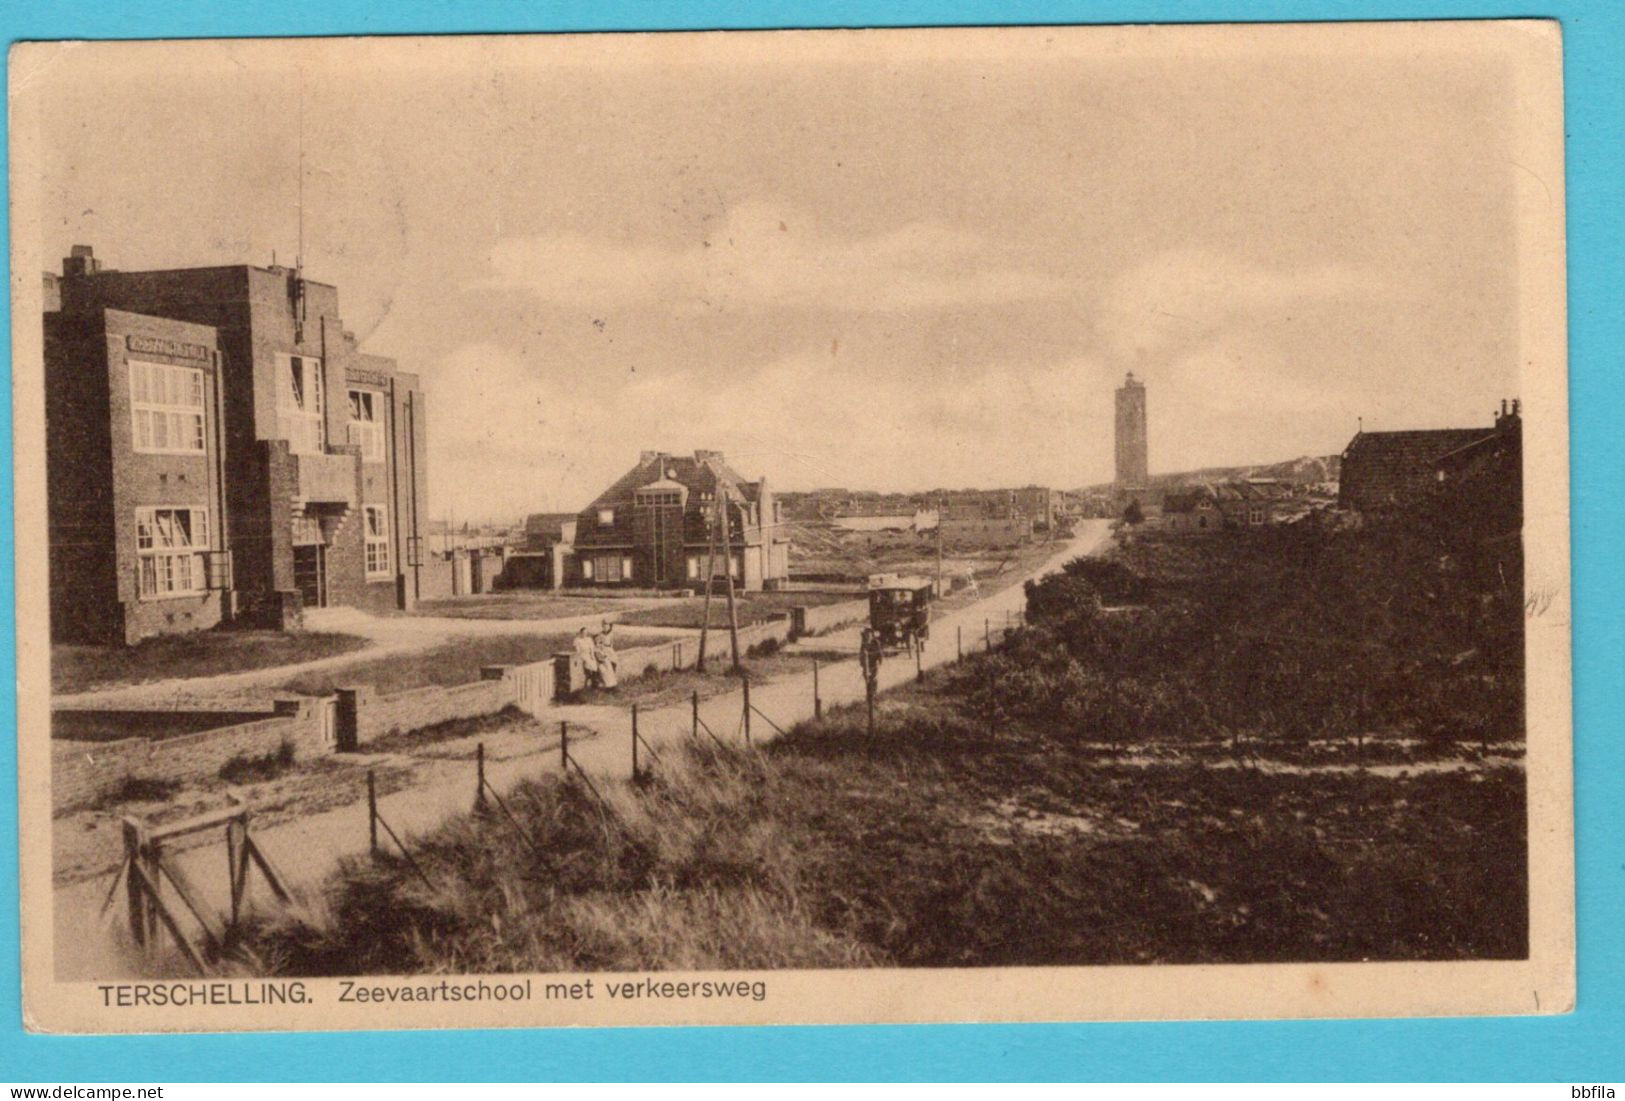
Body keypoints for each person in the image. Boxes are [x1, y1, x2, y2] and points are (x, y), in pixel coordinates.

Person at [594, 621, 620, 690]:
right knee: (607, 664)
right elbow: (598, 643)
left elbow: (612, 643)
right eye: (604, 626)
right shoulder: (600, 634)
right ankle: (606, 682)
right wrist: (601, 647)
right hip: (603, 649)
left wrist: (611, 649)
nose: (605, 627)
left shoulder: (611, 634)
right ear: (602, 627)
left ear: (609, 626)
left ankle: (612, 678)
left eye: (607, 626)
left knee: (614, 661)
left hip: (609, 649)